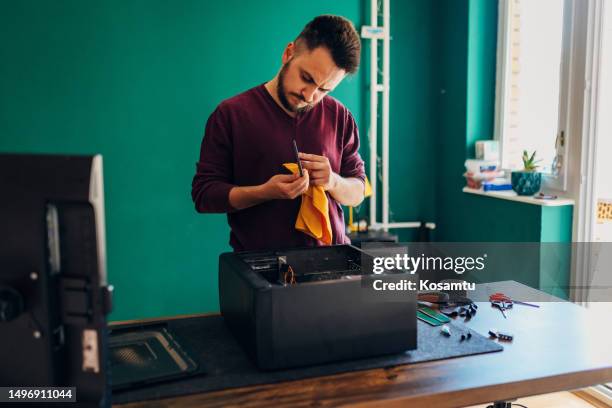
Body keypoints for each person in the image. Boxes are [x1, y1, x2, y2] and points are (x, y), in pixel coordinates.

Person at [191, 15, 366, 251]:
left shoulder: (340, 116)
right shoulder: (231, 114)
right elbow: (204, 195)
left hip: (333, 265)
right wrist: (264, 192)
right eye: (306, 78)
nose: (309, 96)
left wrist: (333, 180)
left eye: (324, 89)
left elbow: (357, 191)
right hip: (261, 272)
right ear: (289, 53)